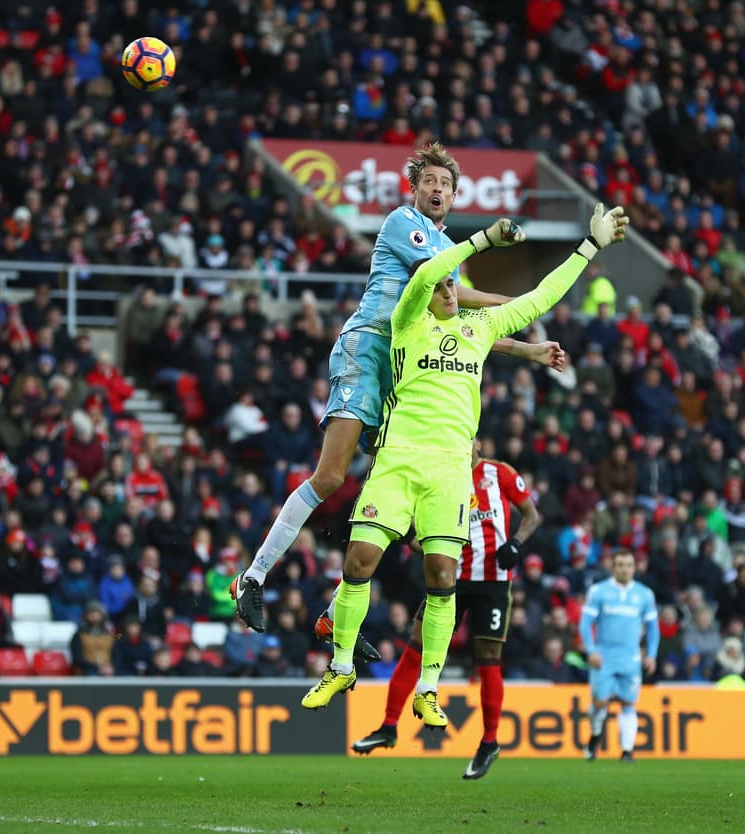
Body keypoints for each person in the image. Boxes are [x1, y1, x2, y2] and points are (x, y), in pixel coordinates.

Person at [300, 203, 629, 726]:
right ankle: (340, 665)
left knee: (442, 575)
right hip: (399, 461)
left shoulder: (481, 328)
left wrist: (589, 246)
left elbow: (540, 298)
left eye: (455, 286)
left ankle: (428, 687)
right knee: (360, 559)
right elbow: (429, 270)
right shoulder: (408, 322)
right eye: (442, 286)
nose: (449, 290)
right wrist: (480, 242)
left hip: (452, 469)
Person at [232, 143, 565, 640]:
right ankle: (252, 577)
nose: (437, 189)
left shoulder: (445, 249)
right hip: (367, 351)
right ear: (414, 188)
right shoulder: (402, 225)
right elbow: (453, 289)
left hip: (400, 368)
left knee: (400, 512)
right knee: (330, 475)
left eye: (446, 184)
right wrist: (521, 303)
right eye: (429, 181)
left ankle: (336, 613)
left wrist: (527, 344)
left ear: (455, 196)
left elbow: (467, 328)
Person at [349, 443, 541, 780]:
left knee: (488, 657)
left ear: (478, 443)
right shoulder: (440, 476)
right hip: (450, 580)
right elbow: (416, 535)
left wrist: (516, 543)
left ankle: (489, 742)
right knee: (417, 644)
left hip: (493, 582)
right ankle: (389, 725)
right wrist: (425, 543)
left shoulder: (500, 473)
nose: (465, 449)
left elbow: (532, 515)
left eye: (470, 443)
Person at [580, 550, 660, 761]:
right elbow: (585, 623)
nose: (625, 569)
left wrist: (651, 655)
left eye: (629, 565)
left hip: (631, 658)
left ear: (635, 567)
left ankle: (627, 751)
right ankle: (595, 736)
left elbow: (653, 628)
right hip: (603, 656)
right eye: (621, 565)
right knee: (599, 704)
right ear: (613, 567)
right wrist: (591, 650)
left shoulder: (644, 594)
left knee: (628, 703)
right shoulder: (599, 591)